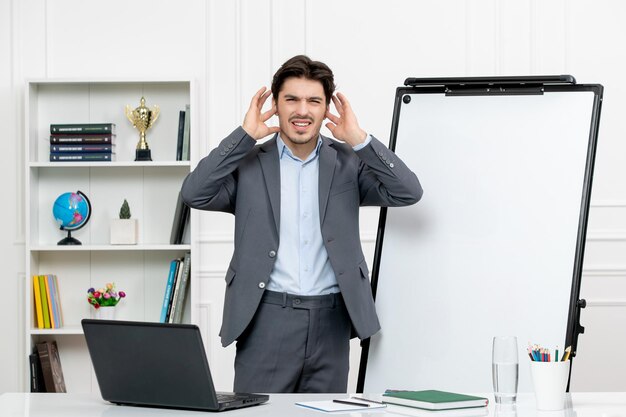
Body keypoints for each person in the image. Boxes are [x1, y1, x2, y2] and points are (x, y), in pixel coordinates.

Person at [181, 55, 422, 393]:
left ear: (326, 110)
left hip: (333, 321)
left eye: (314, 101)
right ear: (275, 105)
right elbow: (195, 193)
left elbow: (408, 191)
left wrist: (359, 140)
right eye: (291, 99)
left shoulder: (348, 163)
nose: (302, 110)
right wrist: (244, 136)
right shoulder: (248, 163)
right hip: (265, 318)